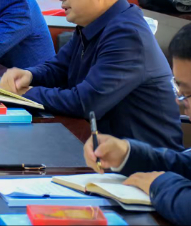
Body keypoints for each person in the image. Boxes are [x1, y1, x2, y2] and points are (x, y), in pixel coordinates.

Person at [0, 0, 182, 150]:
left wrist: (28, 94)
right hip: (100, 144)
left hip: (141, 158)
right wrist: (29, 75)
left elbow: (86, 103)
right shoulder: (93, 24)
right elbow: (59, 67)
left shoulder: (127, 35)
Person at [82, 23, 191, 225]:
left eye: (188, 93)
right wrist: (127, 154)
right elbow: (185, 164)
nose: (181, 102)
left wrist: (160, 184)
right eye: (181, 91)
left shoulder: (127, 33)